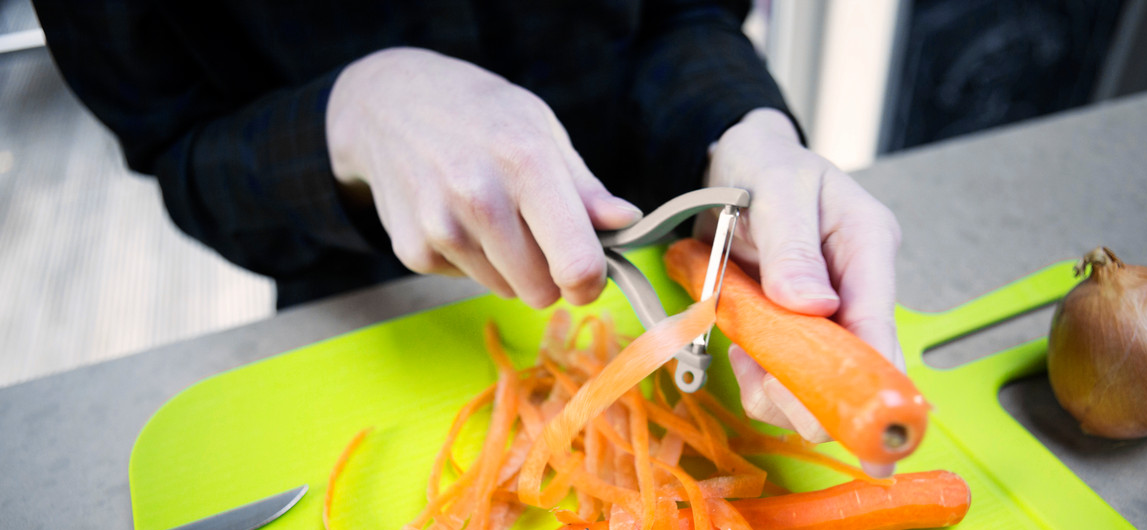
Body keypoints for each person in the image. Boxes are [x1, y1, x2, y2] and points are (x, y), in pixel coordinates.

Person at [33, 1, 902, 461]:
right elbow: (180, 153)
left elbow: (684, 12)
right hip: (358, 312)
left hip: (667, 233)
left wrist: (746, 129)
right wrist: (344, 117)